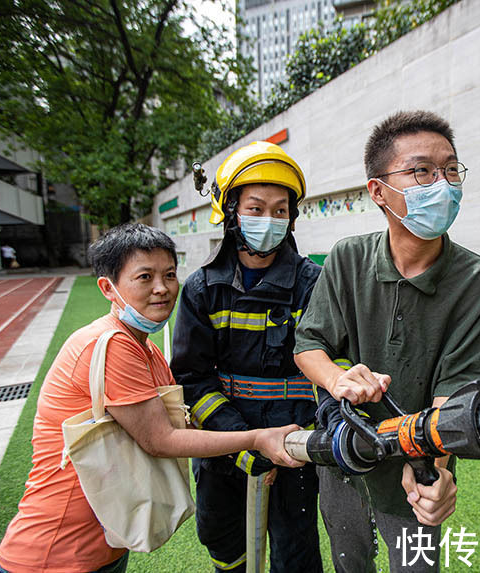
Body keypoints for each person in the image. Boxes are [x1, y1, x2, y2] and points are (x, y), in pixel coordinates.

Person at [0, 223, 301, 573]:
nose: (162, 288)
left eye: (169, 274)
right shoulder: (111, 345)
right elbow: (161, 439)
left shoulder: (148, 350)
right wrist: (257, 438)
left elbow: (187, 423)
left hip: (103, 542)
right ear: (108, 288)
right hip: (55, 552)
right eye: (145, 277)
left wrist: (250, 450)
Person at [294, 110, 480, 572]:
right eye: (422, 170)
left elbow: (459, 389)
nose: (442, 184)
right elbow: (308, 343)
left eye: (451, 169)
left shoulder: (478, 281)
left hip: (417, 469)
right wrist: (338, 381)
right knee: (350, 561)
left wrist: (436, 469)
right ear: (378, 191)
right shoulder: (348, 258)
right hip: (342, 455)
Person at [171, 141, 323, 573]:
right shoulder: (203, 289)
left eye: (280, 210)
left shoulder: (313, 284)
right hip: (223, 449)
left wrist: (293, 443)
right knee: (223, 541)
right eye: (256, 208)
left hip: (295, 448)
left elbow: (332, 365)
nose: (269, 220)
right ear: (231, 211)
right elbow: (193, 379)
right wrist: (245, 446)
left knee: (296, 553)